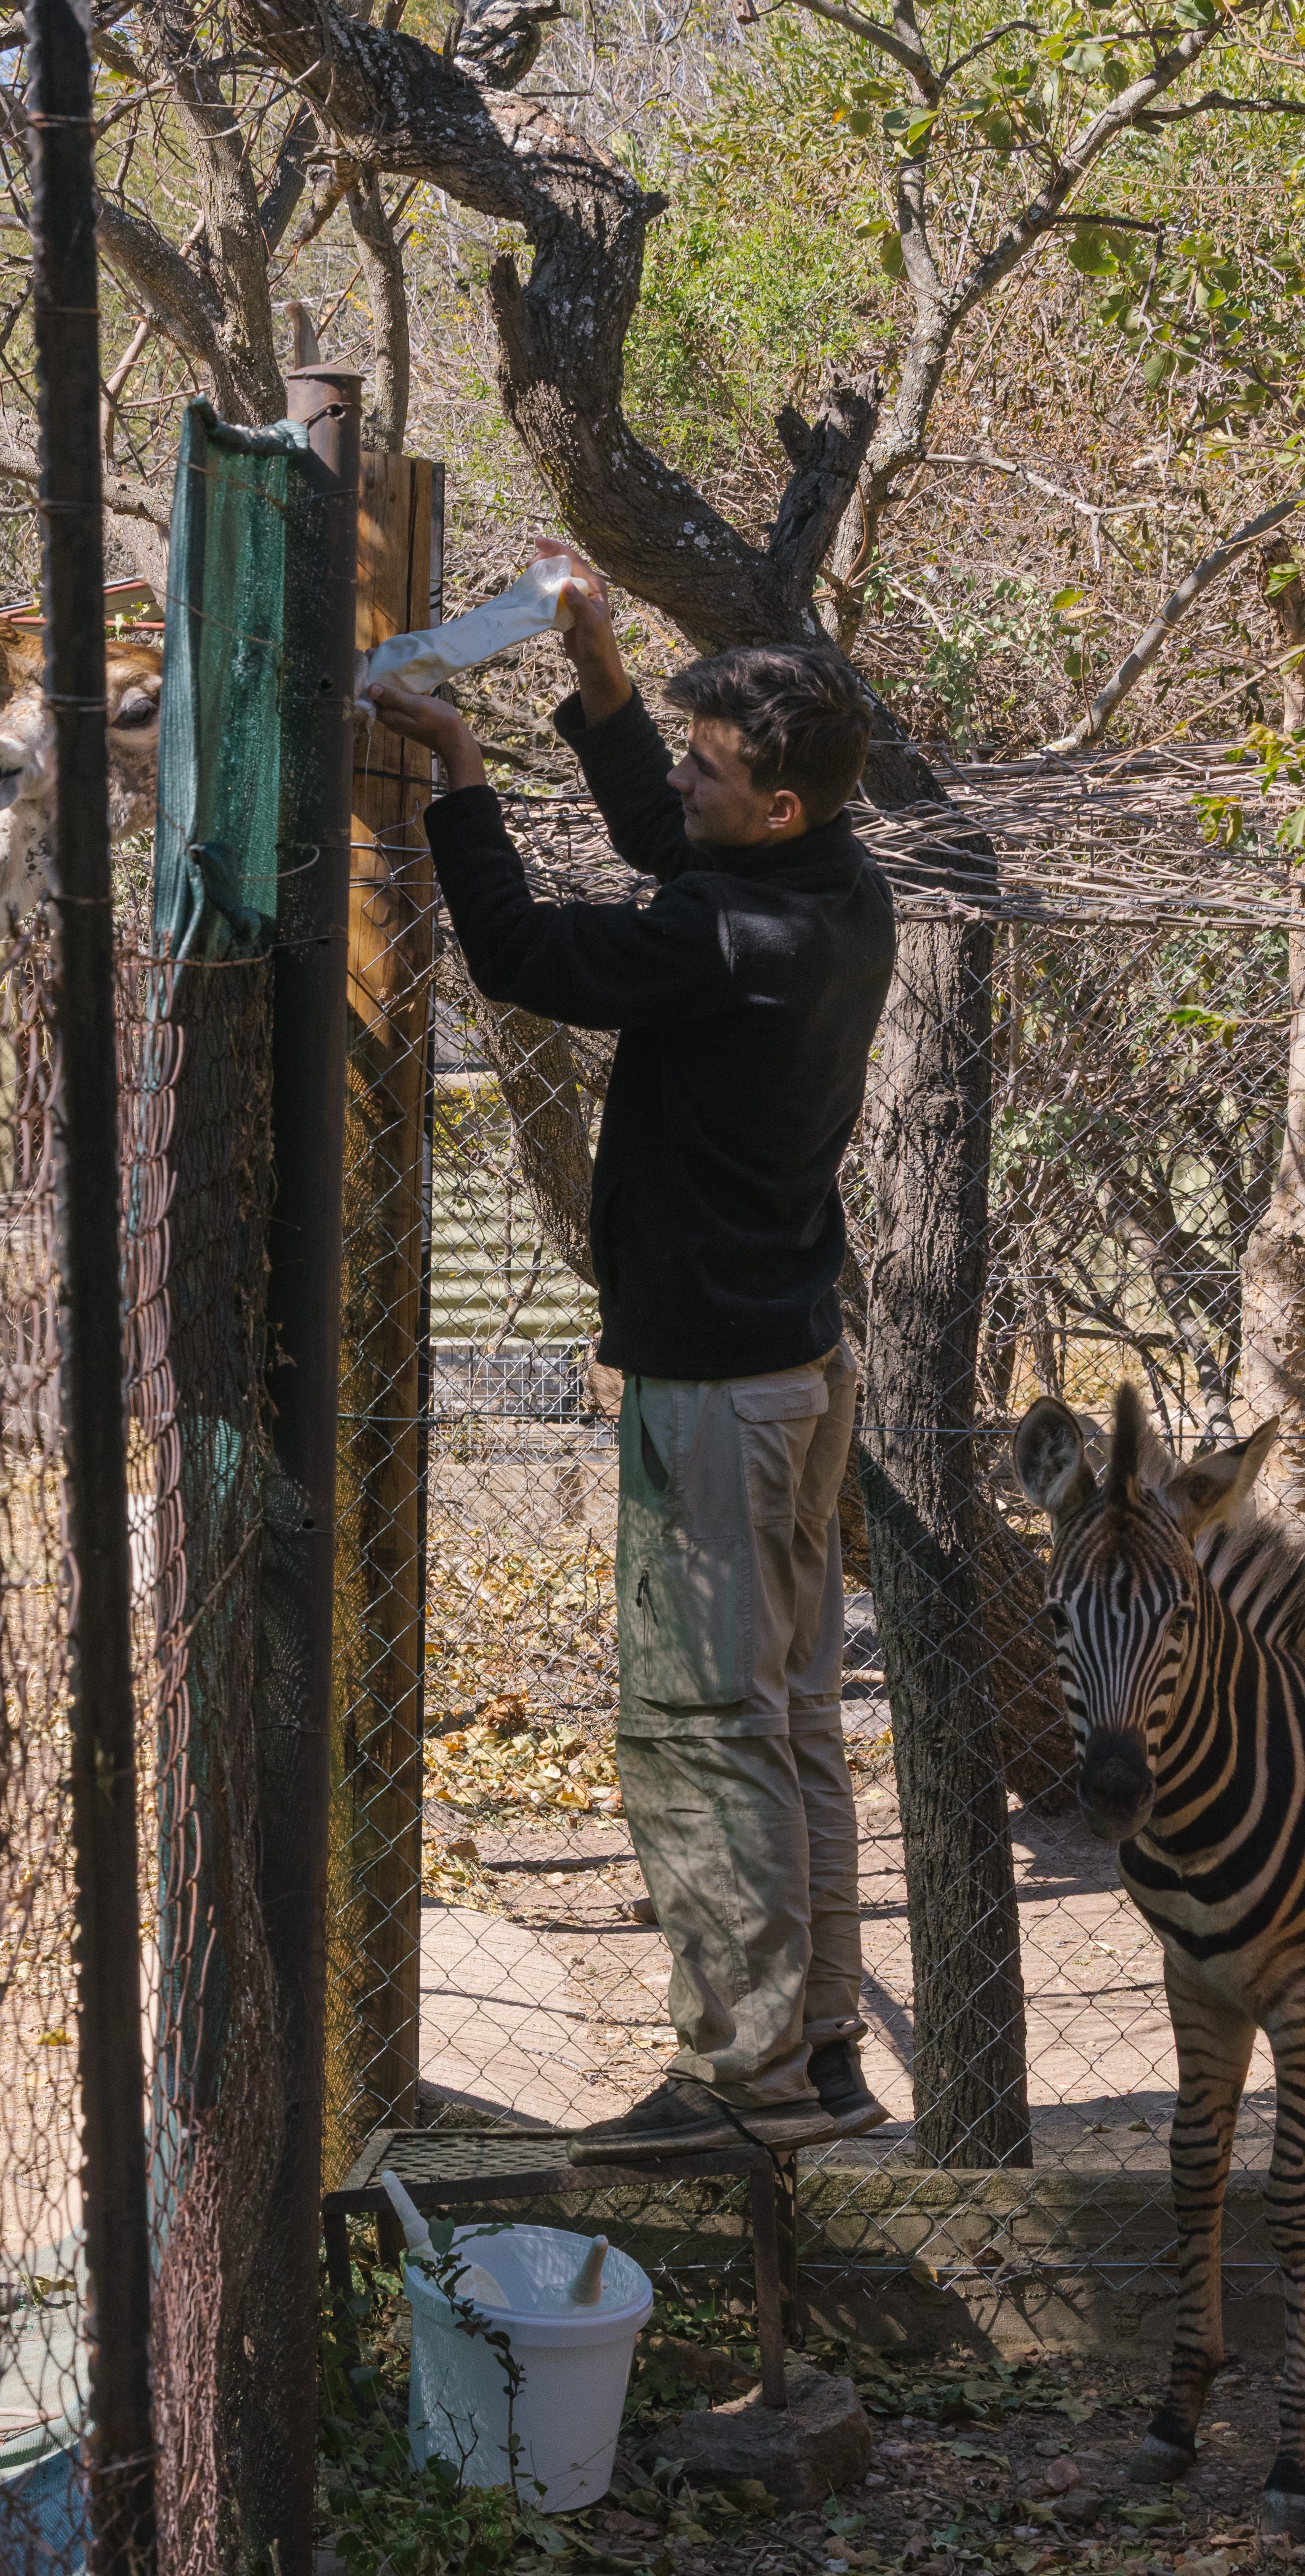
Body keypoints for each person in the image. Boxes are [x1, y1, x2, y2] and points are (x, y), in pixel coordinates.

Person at [365, 548, 898, 2159]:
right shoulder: (831, 886)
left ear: (779, 808)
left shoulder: (735, 939)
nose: (681, 776)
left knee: (697, 1729)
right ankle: (813, 2057)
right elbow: (673, 846)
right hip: (796, 1370)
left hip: (721, 1396)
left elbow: (531, 956)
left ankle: (739, 2086)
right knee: (792, 1722)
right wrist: (593, 665)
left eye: (707, 762)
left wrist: (459, 767)